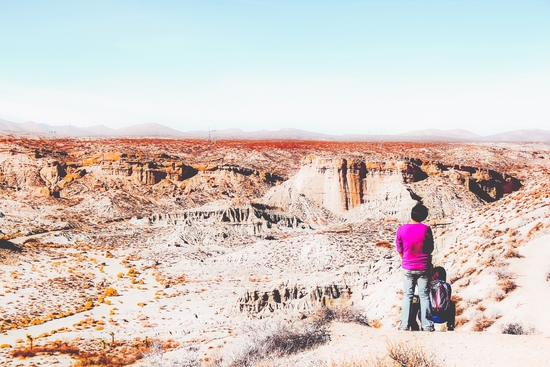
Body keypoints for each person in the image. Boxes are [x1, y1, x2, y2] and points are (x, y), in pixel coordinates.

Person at [396, 203, 434, 331]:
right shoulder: (426, 229)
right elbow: (430, 248)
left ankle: (404, 325)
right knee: (424, 295)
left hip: (408, 266)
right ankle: (427, 325)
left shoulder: (401, 230)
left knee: (408, 295)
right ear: (424, 216)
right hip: (423, 266)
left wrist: (405, 259)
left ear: (411, 213)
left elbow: (399, 248)